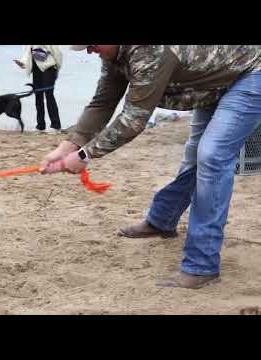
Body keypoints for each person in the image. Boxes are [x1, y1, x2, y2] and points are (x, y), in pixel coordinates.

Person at [40, 45, 261, 289]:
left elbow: (134, 119)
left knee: (212, 157)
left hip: (249, 72)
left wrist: (84, 155)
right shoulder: (114, 54)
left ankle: (202, 266)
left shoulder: (149, 51)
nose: (89, 51)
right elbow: (104, 101)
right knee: (194, 155)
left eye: (92, 44)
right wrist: (68, 145)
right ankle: (162, 221)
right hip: (211, 80)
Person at [14, 45, 63, 134]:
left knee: (49, 96)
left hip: (49, 68)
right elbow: (27, 58)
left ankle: (56, 126)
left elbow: (58, 54)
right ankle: (40, 126)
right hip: (36, 70)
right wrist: (22, 63)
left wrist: (56, 69)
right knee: (38, 97)